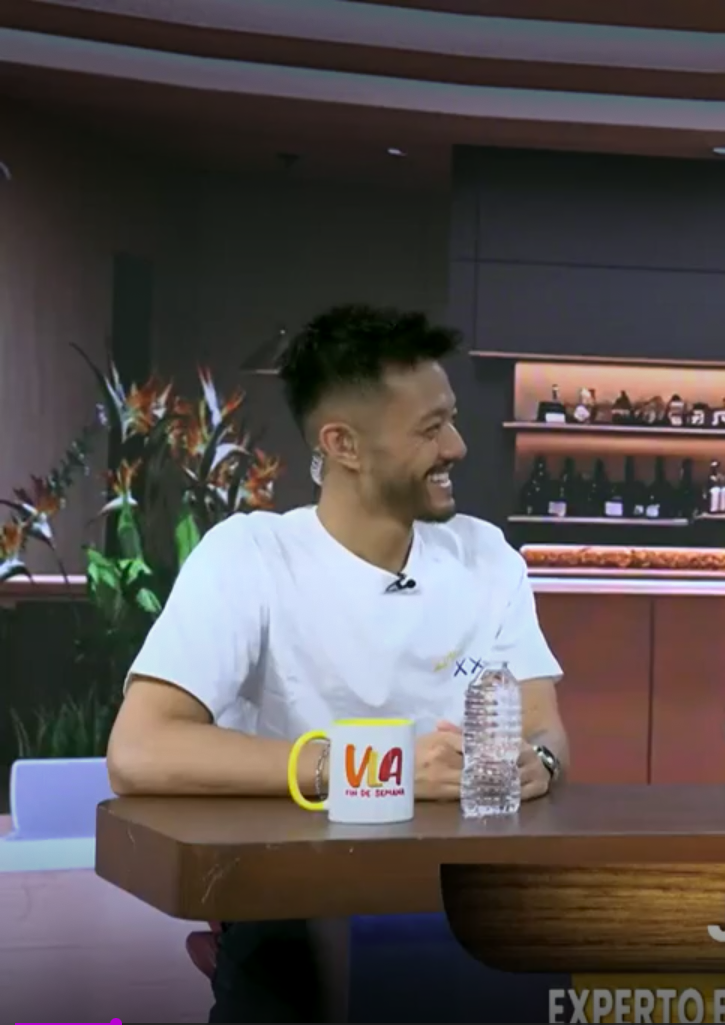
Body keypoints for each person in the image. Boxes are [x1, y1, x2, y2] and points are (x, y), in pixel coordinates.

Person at [105, 303, 569, 1022]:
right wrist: (375, 771)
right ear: (343, 444)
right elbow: (140, 749)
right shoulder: (251, 554)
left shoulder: (487, 557)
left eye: (451, 418)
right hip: (293, 906)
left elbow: (545, 726)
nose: (457, 446)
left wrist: (541, 760)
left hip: (463, 905)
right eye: (429, 428)